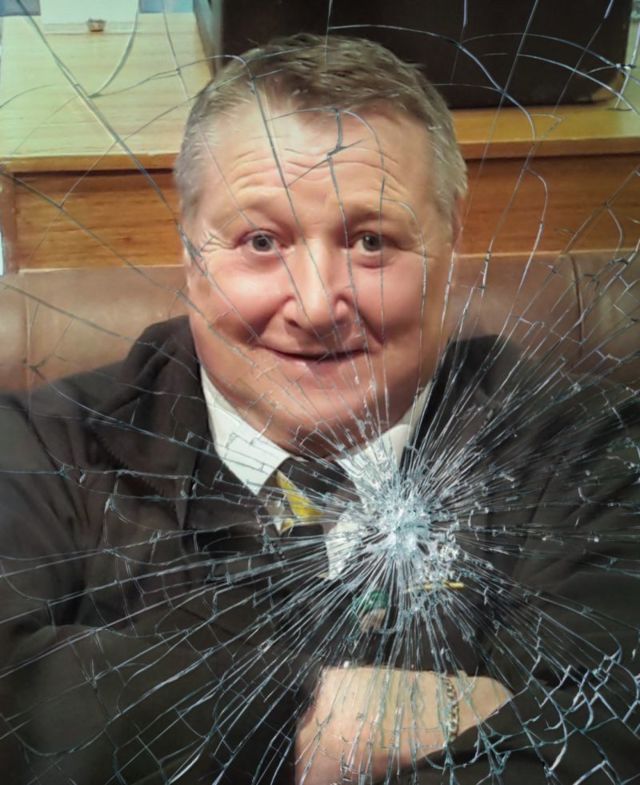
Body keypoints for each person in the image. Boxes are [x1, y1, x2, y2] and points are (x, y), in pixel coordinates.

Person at [0, 33, 638, 785]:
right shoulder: (41, 448)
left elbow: (609, 734)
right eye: (260, 240)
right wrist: (316, 718)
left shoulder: (593, 448)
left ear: (450, 247)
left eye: (371, 241)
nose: (314, 305)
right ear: (190, 255)